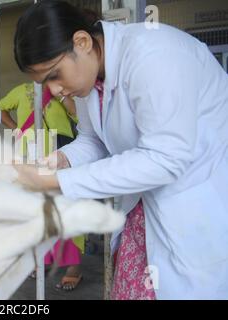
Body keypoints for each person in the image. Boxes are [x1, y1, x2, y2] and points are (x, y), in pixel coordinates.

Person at [13, 0, 228, 299]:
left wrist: (58, 181)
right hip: (144, 214)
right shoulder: (92, 79)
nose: (56, 90)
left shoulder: (154, 56)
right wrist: (60, 160)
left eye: (54, 75)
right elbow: (94, 141)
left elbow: (165, 158)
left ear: (82, 41)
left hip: (194, 209)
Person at [0, 82, 84, 290]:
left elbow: (79, 116)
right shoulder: (20, 90)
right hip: (31, 157)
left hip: (61, 153)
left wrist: (60, 95)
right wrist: (17, 129)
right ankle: (41, 261)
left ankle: (73, 267)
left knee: (66, 208)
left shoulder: (64, 86)